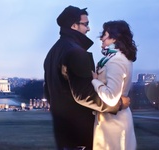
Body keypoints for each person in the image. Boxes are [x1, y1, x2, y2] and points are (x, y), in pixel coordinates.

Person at [43, 6, 129, 150]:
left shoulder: (52, 53)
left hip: (63, 132)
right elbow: (83, 95)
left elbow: (48, 91)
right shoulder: (76, 52)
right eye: (86, 24)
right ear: (74, 25)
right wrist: (117, 104)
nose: (88, 29)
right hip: (80, 133)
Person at [78, 20, 137, 149]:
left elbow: (111, 97)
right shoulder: (115, 59)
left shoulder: (116, 62)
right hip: (112, 120)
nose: (101, 40)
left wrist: (95, 80)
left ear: (114, 38)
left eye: (104, 36)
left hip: (113, 124)